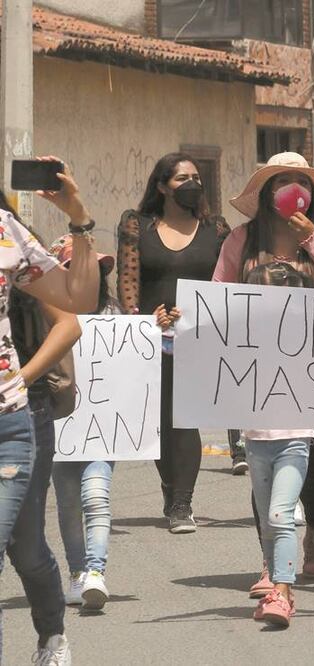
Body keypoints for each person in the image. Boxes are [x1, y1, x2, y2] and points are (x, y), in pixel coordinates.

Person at [214, 151, 314, 584]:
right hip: (260, 370)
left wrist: (313, 240)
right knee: (263, 465)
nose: (293, 188)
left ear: (312, 194)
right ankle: (271, 560)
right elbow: (218, 292)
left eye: (301, 181)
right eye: (282, 181)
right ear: (267, 192)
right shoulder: (243, 238)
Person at [0, 158, 101, 666]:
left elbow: (76, 300)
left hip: (9, 424)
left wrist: (78, 219)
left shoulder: (4, 230)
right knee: (21, 545)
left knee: (18, 543)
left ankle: (52, 638)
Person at [117, 153, 230, 533]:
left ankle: (183, 502)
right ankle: (169, 486)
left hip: (200, 338)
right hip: (153, 338)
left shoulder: (215, 229)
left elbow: (226, 283)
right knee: (161, 421)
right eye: (182, 177)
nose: (192, 183)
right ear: (163, 186)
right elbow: (128, 281)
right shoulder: (138, 225)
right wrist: (140, 320)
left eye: (196, 177)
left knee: (186, 418)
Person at [225, 262, 314, 628]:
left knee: (281, 515)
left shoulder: (306, 331)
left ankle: (282, 590)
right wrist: (175, 325)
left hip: (294, 438)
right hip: (256, 441)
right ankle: (283, 588)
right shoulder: (240, 333)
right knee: (268, 521)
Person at [47, 236, 119, 611]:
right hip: (61, 426)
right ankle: (76, 573)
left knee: (96, 496)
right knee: (68, 503)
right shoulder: (46, 315)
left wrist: (156, 329)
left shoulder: (116, 315)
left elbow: (142, 360)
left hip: (102, 426)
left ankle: (95, 571)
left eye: (92, 268)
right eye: (75, 267)